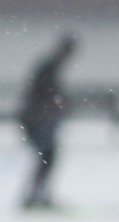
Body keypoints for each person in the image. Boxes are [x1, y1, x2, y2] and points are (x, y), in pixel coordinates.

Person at [17, 34, 78, 210]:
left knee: (46, 156)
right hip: (35, 118)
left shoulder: (50, 65)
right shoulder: (50, 67)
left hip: (34, 117)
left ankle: (36, 195)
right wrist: (59, 103)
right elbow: (46, 92)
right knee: (48, 155)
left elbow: (45, 92)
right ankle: (36, 196)